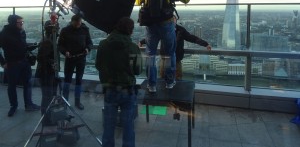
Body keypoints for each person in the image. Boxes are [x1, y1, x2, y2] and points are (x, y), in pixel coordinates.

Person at [136, 0, 195, 92]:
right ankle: (169, 82)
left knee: (150, 54)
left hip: (150, 23)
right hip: (167, 22)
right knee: (169, 53)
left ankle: (151, 85)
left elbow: (138, 2)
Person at [95, 17, 142, 147]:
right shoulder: (132, 48)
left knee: (108, 127)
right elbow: (137, 70)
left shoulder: (103, 44)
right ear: (130, 30)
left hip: (110, 88)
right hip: (127, 90)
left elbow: (98, 65)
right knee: (128, 127)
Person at [139, 16, 212, 80]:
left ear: (176, 20)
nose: (172, 21)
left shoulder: (180, 30)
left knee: (177, 78)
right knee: (163, 77)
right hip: (165, 58)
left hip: (176, 59)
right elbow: (153, 38)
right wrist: (142, 42)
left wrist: (205, 44)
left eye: (173, 19)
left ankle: (175, 92)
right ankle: (165, 93)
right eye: (171, 20)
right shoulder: (164, 29)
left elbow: (192, 38)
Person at [0, 14, 40, 117]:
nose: (22, 24)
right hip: (12, 64)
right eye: (20, 22)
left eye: (22, 22)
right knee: (12, 86)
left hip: (24, 62)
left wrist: (33, 46)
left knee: (28, 83)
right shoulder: (4, 34)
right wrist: (3, 62)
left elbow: (22, 46)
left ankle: (28, 104)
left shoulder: (21, 31)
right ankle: (13, 106)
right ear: (13, 23)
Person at [58, 14, 93, 110]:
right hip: (70, 59)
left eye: (79, 23)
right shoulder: (65, 30)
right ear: (72, 21)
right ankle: (65, 101)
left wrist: (87, 48)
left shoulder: (85, 29)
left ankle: (77, 102)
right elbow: (60, 45)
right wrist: (65, 52)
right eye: (76, 24)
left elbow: (90, 43)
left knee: (79, 80)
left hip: (81, 59)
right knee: (67, 80)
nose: (78, 25)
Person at [36, 15, 60, 120]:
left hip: (49, 73)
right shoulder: (47, 42)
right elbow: (40, 58)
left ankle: (49, 116)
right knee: (47, 96)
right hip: (46, 73)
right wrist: (52, 63)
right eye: (56, 28)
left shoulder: (49, 40)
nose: (58, 30)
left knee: (49, 96)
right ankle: (46, 119)